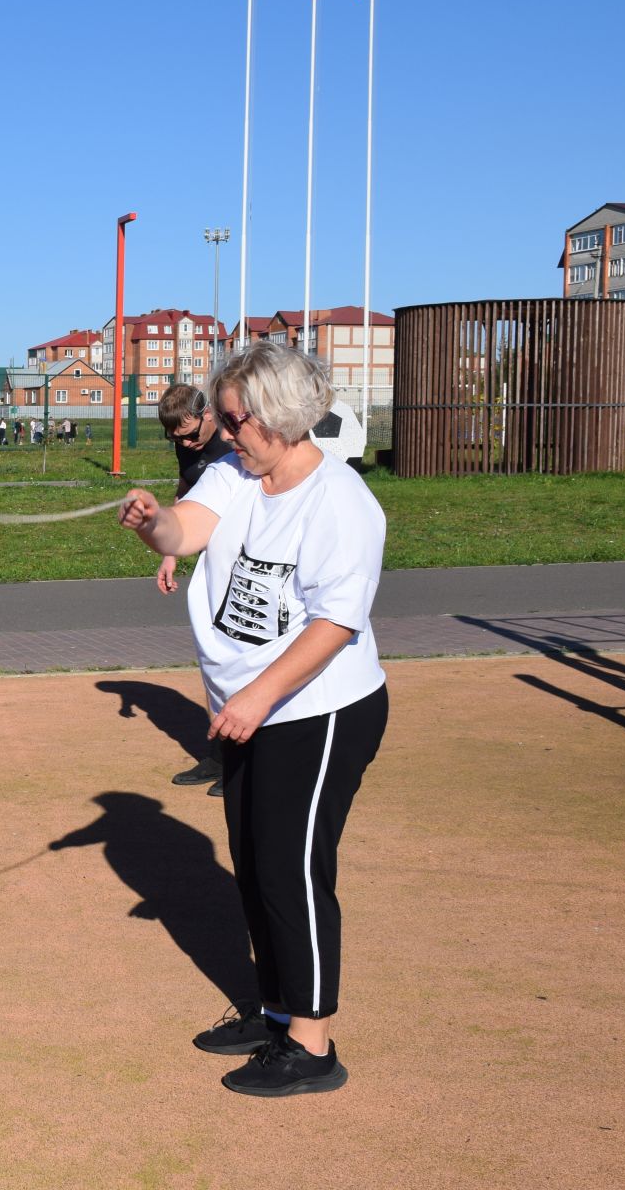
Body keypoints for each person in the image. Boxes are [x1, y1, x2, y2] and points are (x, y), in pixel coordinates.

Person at [118, 341, 389, 1098]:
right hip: (253, 711)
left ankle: (312, 1043)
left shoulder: (341, 503)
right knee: (255, 860)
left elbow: (335, 624)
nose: (223, 431)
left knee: (292, 869)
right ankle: (275, 1009)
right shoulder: (238, 475)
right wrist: (152, 523)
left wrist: (259, 696)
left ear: (278, 417)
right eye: (222, 418)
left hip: (320, 710)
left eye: (234, 419)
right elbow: (185, 532)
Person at [151, 384, 237, 795]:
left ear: (208, 415)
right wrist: (171, 553)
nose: (185, 443)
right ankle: (219, 757)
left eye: (189, 435)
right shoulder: (185, 440)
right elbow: (186, 490)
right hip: (210, 554)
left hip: (248, 558)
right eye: (175, 439)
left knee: (241, 657)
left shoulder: (238, 437)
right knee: (213, 655)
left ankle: (244, 764)